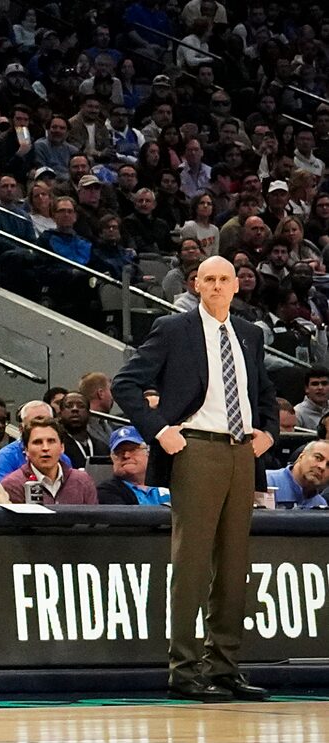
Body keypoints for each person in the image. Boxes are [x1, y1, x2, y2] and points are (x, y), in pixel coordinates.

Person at [113, 254, 277, 702]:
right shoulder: (174, 329)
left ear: (238, 286)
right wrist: (161, 431)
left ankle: (224, 667)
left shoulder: (249, 334)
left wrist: (269, 432)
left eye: (226, 279)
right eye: (210, 279)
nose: (219, 285)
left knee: (234, 564)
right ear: (197, 285)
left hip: (242, 451)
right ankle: (184, 669)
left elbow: (262, 390)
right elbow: (125, 382)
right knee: (192, 562)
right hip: (196, 448)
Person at [0, 420, 99, 506]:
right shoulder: (12, 485)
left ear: (62, 447)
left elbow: (94, 523)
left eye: (51, 441)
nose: (45, 448)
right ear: (26, 450)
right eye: (37, 442)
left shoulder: (83, 481)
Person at [95, 426, 168, 505]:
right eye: (118, 452)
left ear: (148, 452)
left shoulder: (169, 485)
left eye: (133, 449)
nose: (126, 455)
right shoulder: (106, 492)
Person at [266, 440, 329, 510]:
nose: (322, 467)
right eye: (318, 458)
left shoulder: (321, 505)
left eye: (328, 465)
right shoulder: (265, 481)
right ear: (301, 456)